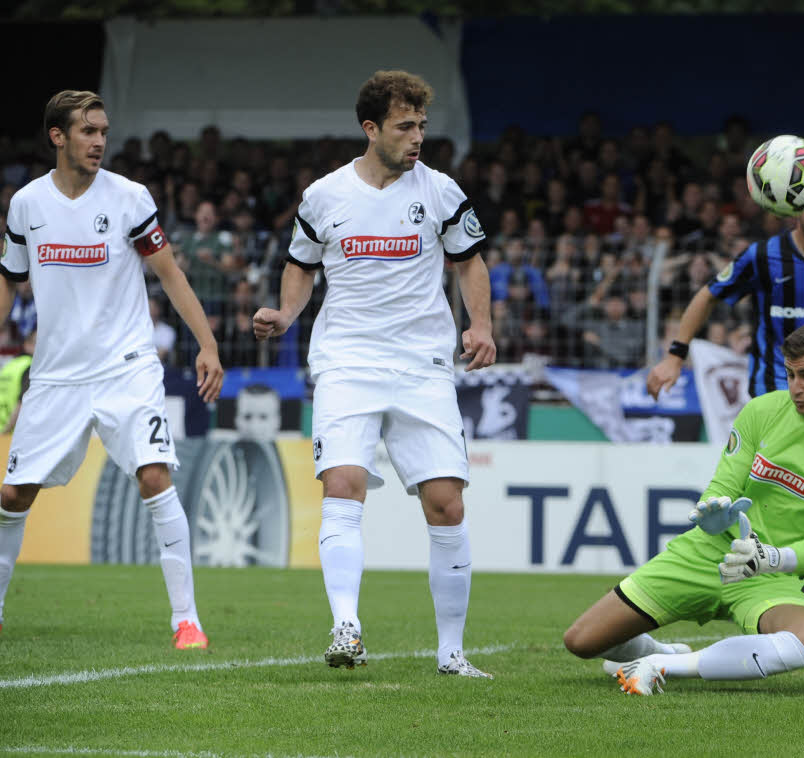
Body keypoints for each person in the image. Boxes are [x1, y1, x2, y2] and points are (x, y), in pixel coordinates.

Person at [252, 70, 496, 678]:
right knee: (343, 485)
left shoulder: (439, 191)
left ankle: (451, 654)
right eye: (404, 126)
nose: (417, 138)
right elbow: (300, 264)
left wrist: (481, 325)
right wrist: (285, 313)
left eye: (422, 126)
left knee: (446, 505)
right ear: (371, 128)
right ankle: (346, 625)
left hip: (422, 365)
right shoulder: (325, 195)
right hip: (348, 361)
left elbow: (470, 264)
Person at [0, 90, 224, 647]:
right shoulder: (27, 204)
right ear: (58, 136)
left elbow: (169, 274)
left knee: (154, 475)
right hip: (55, 377)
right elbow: (9, 277)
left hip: (126, 368)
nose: (99, 141)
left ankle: (186, 620)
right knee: (12, 498)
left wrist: (207, 343)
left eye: (103, 131)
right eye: (88, 131)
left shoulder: (129, 198)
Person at [564, 321, 804, 695]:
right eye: (791, 375)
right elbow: (724, 485)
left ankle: (664, 665)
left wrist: (770, 557)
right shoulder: (763, 410)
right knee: (583, 641)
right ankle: (663, 650)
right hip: (711, 552)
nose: (796, 388)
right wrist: (713, 513)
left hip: (777, 572)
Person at [648, 183, 804, 400]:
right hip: (772, 386)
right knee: (780, 455)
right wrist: (675, 356)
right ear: (796, 209)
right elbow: (708, 295)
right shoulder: (763, 254)